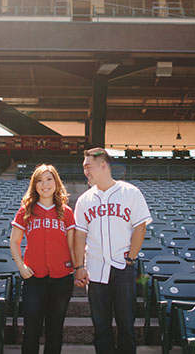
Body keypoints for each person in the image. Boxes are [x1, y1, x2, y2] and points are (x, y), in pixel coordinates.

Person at [73, 147, 152, 354]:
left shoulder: (130, 192)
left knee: (127, 326)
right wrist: (79, 266)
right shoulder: (84, 200)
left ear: (103, 165)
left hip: (123, 268)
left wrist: (132, 257)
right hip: (96, 268)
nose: (85, 172)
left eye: (88, 166)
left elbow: (140, 226)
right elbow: (80, 235)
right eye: (84, 167)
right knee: (101, 327)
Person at [10, 164, 76, 354]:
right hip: (34, 279)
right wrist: (21, 267)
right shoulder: (26, 211)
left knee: (55, 331)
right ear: (34, 184)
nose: (44, 184)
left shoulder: (66, 212)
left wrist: (77, 267)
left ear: (56, 182)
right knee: (31, 331)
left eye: (49, 179)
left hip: (62, 278)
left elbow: (72, 245)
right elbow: (14, 242)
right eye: (39, 180)